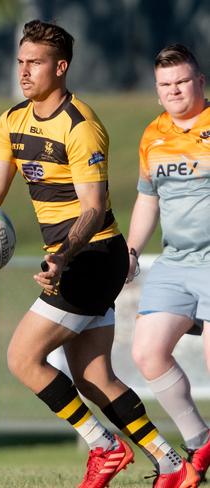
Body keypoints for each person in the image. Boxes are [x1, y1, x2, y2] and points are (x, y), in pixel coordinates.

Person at [0, 20, 198, 488]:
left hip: (93, 255)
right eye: (20, 61)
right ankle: (172, 465)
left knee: (22, 357)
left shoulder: (81, 126)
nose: (24, 71)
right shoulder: (12, 121)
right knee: (95, 379)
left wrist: (63, 256)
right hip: (73, 259)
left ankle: (104, 445)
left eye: (35, 62)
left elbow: (94, 209)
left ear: (61, 67)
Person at [127, 44, 210, 482]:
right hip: (176, 262)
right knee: (146, 352)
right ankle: (199, 441)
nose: (174, 90)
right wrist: (133, 251)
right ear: (157, 92)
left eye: (182, 81)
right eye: (166, 85)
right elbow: (147, 199)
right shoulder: (152, 134)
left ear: (200, 82)